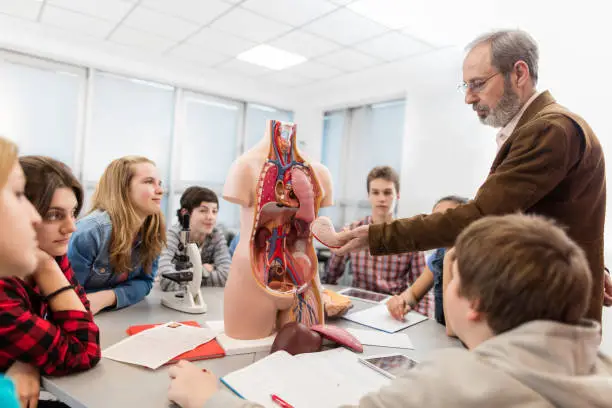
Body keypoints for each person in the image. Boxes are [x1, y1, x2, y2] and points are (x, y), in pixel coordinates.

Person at [166, 214, 612, 408]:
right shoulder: (599, 370)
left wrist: (209, 399)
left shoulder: (452, 386)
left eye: (449, 275)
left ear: (472, 304)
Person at [333, 29, 610, 322]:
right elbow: (566, 216)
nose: (468, 97)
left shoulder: (549, 129)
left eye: (477, 84)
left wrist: (378, 236)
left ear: (518, 73)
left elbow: (481, 217)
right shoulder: (545, 127)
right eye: (465, 86)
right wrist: (594, 263)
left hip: (551, 318)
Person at [0, 156, 102, 407]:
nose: (72, 227)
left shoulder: (50, 253)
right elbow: (84, 349)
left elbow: (81, 314)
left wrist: (27, 357)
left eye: (73, 213)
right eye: (54, 215)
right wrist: (46, 269)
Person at [324, 166, 431, 316]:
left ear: (397, 195)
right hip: (356, 309)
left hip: (392, 312)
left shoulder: (410, 236)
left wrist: (419, 326)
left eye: (387, 192)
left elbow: (422, 291)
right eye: (375, 192)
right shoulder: (353, 230)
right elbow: (329, 277)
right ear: (369, 195)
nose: (381, 198)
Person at [68, 156, 166, 314]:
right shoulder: (91, 232)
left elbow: (145, 282)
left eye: (159, 183)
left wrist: (108, 297)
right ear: (123, 188)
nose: (161, 190)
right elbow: (67, 296)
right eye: (149, 182)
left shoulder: (153, 230)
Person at [387, 195, 467, 325]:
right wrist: (400, 301)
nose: (439, 225)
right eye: (435, 220)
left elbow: (454, 325)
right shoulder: (438, 256)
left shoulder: (474, 262)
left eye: (447, 218)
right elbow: (413, 295)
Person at [159, 187, 231, 290]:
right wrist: (204, 270)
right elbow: (166, 280)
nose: (211, 217)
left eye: (214, 211)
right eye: (203, 211)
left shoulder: (216, 235)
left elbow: (227, 276)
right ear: (185, 213)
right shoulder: (173, 236)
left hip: (206, 300)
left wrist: (183, 273)